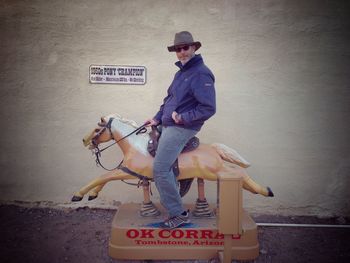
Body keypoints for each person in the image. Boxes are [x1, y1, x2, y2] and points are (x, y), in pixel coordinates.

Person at [146, 31, 216, 229]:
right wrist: (156, 118)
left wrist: (183, 118)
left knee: (159, 169)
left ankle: (178, 214)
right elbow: (168, 101)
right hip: (168, 122)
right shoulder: (181, 73)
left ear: (194, 48)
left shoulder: (201, 72)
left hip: (182, 127)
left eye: (186, 47)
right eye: (178, 49)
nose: (182, 52)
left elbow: (208, 108)